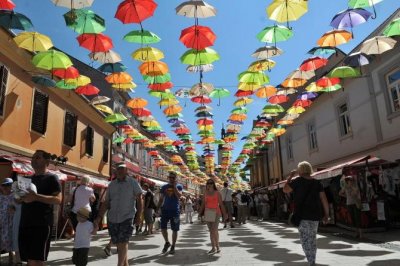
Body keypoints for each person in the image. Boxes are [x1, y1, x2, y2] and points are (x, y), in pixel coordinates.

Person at [94, 162, 143, 266]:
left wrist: (139, 216)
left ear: (126, 171)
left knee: (123, 242)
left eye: (122, 169)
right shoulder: (112, 184)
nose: (120, 171)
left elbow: (139, 198)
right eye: (118, 169)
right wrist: (99, 217)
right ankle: (125, 264)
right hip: (112, 218)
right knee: (119, 243)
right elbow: (106, 202)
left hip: (127, 216)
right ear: (116, 171)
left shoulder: (132, 182)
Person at [19, 150, 62, 266]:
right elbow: (20, 200)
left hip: (41, 224)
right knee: (30, 260)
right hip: (25, 223)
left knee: (35, 260)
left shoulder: (52, 178)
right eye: (33, 157)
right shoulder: (27, 179)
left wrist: (36, 197)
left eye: (38, 157)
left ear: (47, 161)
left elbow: (58, 199)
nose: (34, 159)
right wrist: (18, 198)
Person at [283, 161, 329, 266]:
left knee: (305, 240)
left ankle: (311, 261)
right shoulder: (317, 183)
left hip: (302, 215)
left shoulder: (297, 181)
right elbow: (324, 199)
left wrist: (290, 177)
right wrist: (327, 214)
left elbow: (285, 190)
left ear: (301, 170)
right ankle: (312, 260)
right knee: (312, 239)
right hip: (315, 215)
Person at [157, 171, 183, 254]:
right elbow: (161, 199)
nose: (171, 179)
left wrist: (174, 186)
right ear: (168, 178)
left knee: (174, 229)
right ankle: (167, 242)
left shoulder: (179, 186)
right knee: (163, 227)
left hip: (175, 211)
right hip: (165, 210)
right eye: (170, 177)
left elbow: (179, 196)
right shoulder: (164, 187)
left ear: (176, 179)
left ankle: (173, 246)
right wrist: (157, 208)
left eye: (173, 178)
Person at [200, 179, 227, 254]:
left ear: (213, 184)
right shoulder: (205, 193)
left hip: (216, 213)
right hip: (208, 213)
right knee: (211, 231)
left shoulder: (217, 193)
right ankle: (213, 247)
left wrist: (224, 214)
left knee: (214, 230)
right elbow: (203, 204)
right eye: (208, 183)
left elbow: (221, 204)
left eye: (211, 183)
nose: (209, 184)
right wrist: (200, 213)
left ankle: (217, 246)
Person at [0, 177, 15, 265]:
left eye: (8, 185)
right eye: (4, 185)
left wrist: (14, 208)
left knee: (11, 241)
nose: (5, 187)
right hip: (1, 222)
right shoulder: (0, 197)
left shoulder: (14, 196)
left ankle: (11, 260)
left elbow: (18, 208)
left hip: (11, 223)